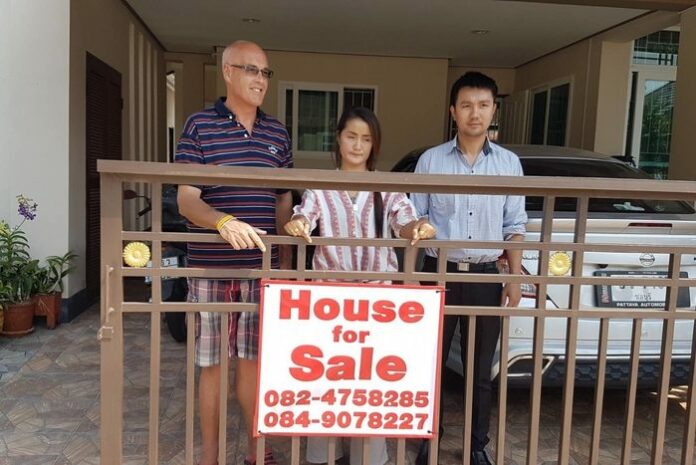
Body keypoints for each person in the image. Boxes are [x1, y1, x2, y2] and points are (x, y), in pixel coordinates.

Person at [284, 107, 436, 465]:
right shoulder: (320, 187)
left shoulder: (386, 187)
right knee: (327, 382)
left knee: (371, 384)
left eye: (366, 139)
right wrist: (299, 223)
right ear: (338, 138)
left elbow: (405, 220)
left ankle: (369, 458)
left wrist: (417, 228)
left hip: (376, 306)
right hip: (330, 304)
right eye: (351, 136)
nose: (357, 144)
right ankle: (322, 456)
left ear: (374, 145)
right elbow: (305, 214)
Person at [175, 40, 292, 465]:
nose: (260, 80)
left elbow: (283, 199)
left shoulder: (277, 132)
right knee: (213, 368)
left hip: (259, 270)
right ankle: (210, 457)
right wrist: (222, 221)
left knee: (252, 366)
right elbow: (187, 199)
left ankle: (256, 453)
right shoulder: (199, 126)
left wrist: (283, 254)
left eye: (265, 72)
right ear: (227, 72)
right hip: (210, 266)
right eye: (251, 70)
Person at [411, 72, 527, 465]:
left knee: (480, 370)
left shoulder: (510, 164)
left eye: (482, 104)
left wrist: (512, 278)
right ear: (453, 112)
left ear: (494, 109)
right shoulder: (431, 160)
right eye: (466, 105)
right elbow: (415, 220)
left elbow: (514, 226)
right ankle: (429, 438)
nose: (474, 113)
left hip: (483, 278)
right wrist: (413, 278)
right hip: (438, 274)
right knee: (432, 364)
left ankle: (477, 446)